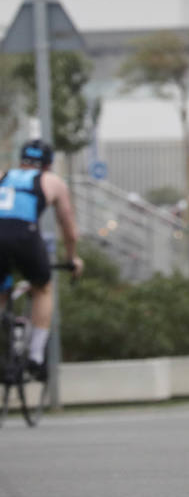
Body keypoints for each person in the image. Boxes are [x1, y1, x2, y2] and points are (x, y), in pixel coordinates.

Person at [0, 140, 84, 379]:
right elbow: (69, 229)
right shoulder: (52, 181)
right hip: (24, 236)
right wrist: (72, 259)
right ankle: (36, 356)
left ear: (20, 160)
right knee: (42, 288)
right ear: (48, 164)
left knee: (2, 292)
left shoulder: (3, 175)